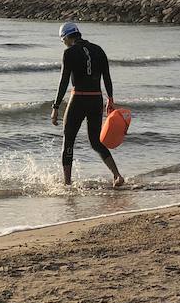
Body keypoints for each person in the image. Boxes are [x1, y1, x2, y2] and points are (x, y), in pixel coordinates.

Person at [50, 22, 124, 188]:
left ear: (68, 37)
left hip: (78, 99)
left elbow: (63, 81)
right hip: (96, 99)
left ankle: (67, 184)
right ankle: (117, 175)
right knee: (96, 142)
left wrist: (55, 107)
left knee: (68, 140)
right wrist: (110, 99)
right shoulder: (99, 50)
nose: (64, 43)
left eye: (63, 40)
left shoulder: (68, 53)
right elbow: (107, 77)